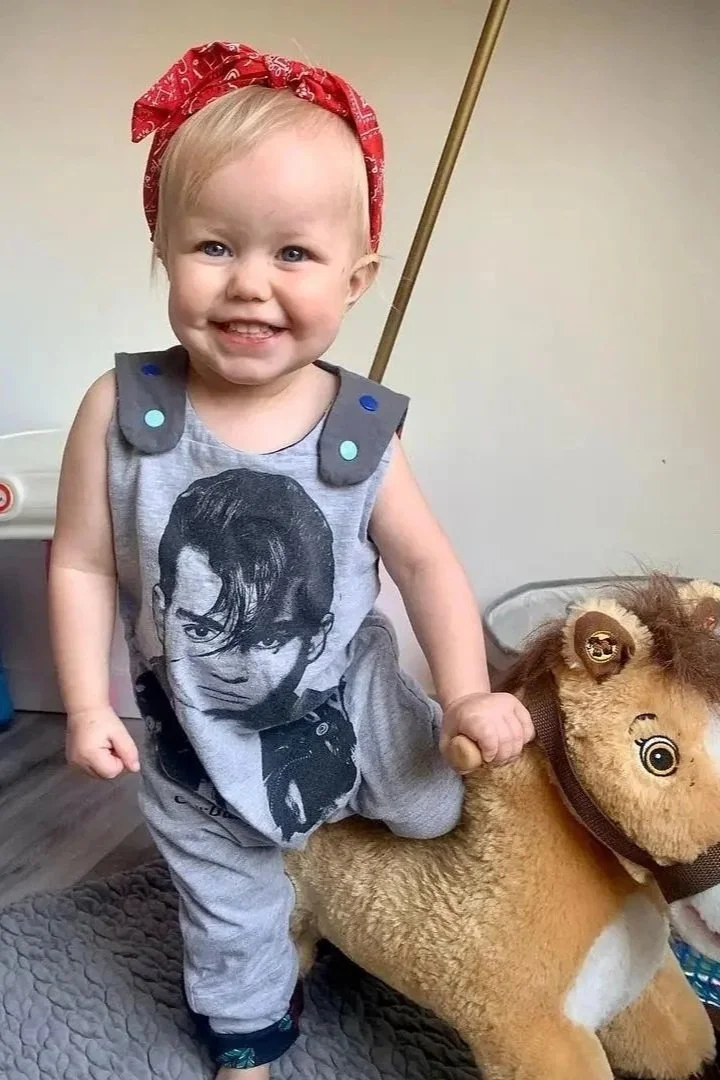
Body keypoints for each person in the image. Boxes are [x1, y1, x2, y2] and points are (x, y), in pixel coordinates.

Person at [48, 41, 535, 1079]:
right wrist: (89, 707)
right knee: (229, 909)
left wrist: (462, 695)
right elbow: (84, 565)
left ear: (357, 279)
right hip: (197, 731)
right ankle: (251, 1035)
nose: (250, 286)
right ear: (163, 248)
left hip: (348, 702)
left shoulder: (358, 429)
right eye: (214, 247)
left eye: (294, 255)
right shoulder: (124, 411)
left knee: (440, 805)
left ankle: (343, 882)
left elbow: (427, 568)